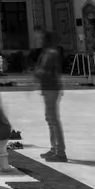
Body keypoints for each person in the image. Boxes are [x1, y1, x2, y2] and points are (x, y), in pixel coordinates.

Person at [35, 30, 66, 162]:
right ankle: (54, 148)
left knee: (53, 119)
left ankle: (60, 152)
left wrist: (37, 73)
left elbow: (45, 70)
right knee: (50, 119)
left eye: (42, 39)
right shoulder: (48, 52)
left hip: (51, 87)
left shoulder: (50, 53)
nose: (40, 41)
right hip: (48, 87)